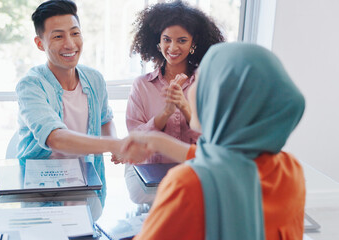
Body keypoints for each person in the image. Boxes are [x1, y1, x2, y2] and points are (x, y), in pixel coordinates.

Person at [122, 43, 306, 239]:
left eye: (199, 82)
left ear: (224, 99)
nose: (191, 92)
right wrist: (159, 142)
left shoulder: (187, 186)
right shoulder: (290, 170)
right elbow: (229, 161)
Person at [16, 0, 140, 177]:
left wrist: (114, 141)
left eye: (75, 33)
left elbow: (105, 120)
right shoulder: (30, 85)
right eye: (58, 36)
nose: (70, 44)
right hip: (41, 187)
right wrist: (114, 144)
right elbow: (55, 138)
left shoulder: (94, 78)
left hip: (88, 181)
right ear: (39, 43)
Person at [126, 1, 224, 164]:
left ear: (194, 42)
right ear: (158, 41)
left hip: (195, 173)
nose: (173, 47)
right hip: (151, 177)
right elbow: (135, 138)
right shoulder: (142, 85)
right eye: (167, 39)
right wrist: (165, 113)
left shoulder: (206, 82)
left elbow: (214, 140)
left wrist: (184, 106)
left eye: (182, 40)